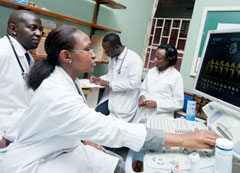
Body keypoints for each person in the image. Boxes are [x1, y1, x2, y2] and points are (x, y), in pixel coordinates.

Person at [2, 26, 219, 173]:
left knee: (116, 163)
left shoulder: (66, 77)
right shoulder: (57, 93)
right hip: (37, 162)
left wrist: (86, 139)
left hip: (63, 145)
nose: (95, 54)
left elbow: (70, 122)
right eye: (88, 50)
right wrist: (183, 140)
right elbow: (110, 129)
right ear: (66, 57)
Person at [0, 10, 43, 148]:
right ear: (13, 29)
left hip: (18, 130)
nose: (39, 34)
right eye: (32, 28)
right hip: (4, 133)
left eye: (41, 30)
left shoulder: (27, 56)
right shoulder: (2, 51)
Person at [90, 33, 142, 122]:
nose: (105, 53)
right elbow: (111, 75)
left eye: (107, 50)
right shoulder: (113, 57)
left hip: (124, 102)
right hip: (111, 97)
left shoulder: (134, 59)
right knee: (96, 117)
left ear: (117, 47)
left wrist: (110, 84)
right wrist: (99, 79)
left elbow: (134, 83)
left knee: (114, 126)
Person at [134, 44, 184, 122]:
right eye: (155, 56)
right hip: (144, 114)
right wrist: (142, 96)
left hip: (161, 118)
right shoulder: (151, 71)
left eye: (159, 58)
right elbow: (143, 89)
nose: (155, 60)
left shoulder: (176, 76)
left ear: (168, 60)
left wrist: (158, 104)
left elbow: (178, 103)